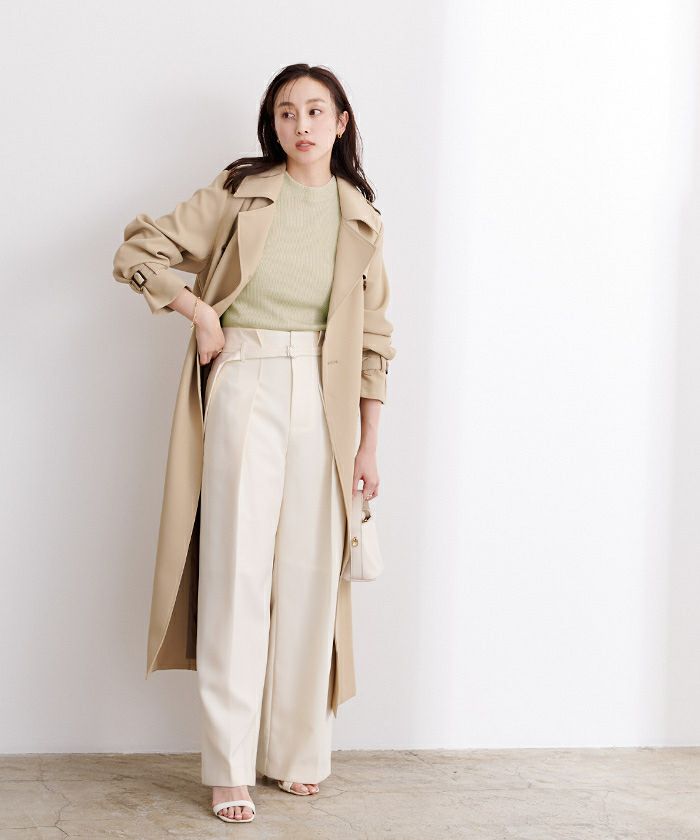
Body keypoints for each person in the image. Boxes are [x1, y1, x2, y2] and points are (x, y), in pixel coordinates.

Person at [113, 63, 396, 825]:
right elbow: (137, 250)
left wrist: (369, 443)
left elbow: (375, 340)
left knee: (310, 577)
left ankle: (297, 753)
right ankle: (229, 767)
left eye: (316, 110)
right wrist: (200, 312)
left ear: (341, 122)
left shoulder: (361, 217)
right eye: (286, 112)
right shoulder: (240, 195)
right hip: (246, 376)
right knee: (236, 570)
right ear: (272, 125)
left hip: (328, 397)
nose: (301, 124)